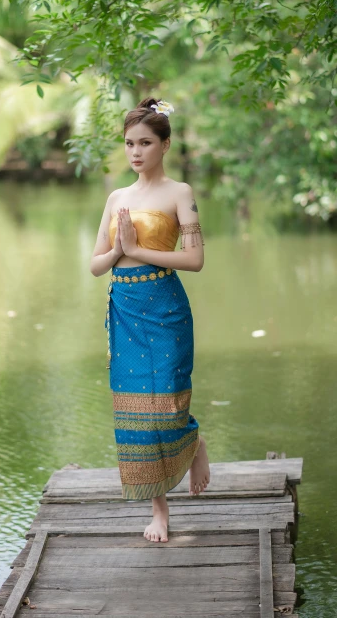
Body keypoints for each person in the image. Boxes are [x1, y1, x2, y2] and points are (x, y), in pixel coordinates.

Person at [90, 96, 210, 543]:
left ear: (165, 144)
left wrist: (133, 248)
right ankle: (158, 509)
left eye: (145, 142)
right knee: (134, 413)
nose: (135, 152)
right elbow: (96, 265)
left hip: (165, 308)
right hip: (124, 310)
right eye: (128, 143)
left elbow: (195, 260)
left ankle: (193, 441)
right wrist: (118, 249)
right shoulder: (117, 197)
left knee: (167, 405)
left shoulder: (180, 194)